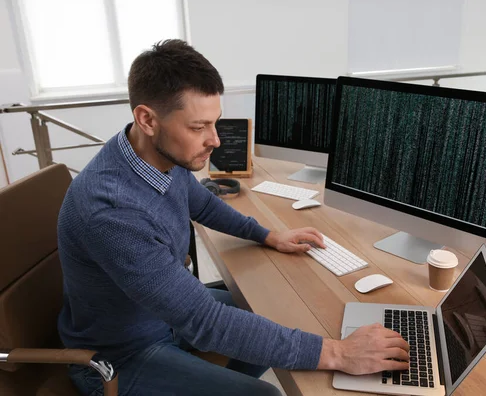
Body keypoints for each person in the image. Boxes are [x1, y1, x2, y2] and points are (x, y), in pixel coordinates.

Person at [57, 39, 409, 396]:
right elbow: (203, 322)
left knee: (272, 308)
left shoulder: (152, 154)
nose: (216, 140)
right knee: (266, 393)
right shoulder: (113, 212)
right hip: (118, 357)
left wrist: (267, 235)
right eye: (198, 128)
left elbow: (202, 204)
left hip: (160, 316)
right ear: (147, 119)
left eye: (215, 123)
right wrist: (339, 353)